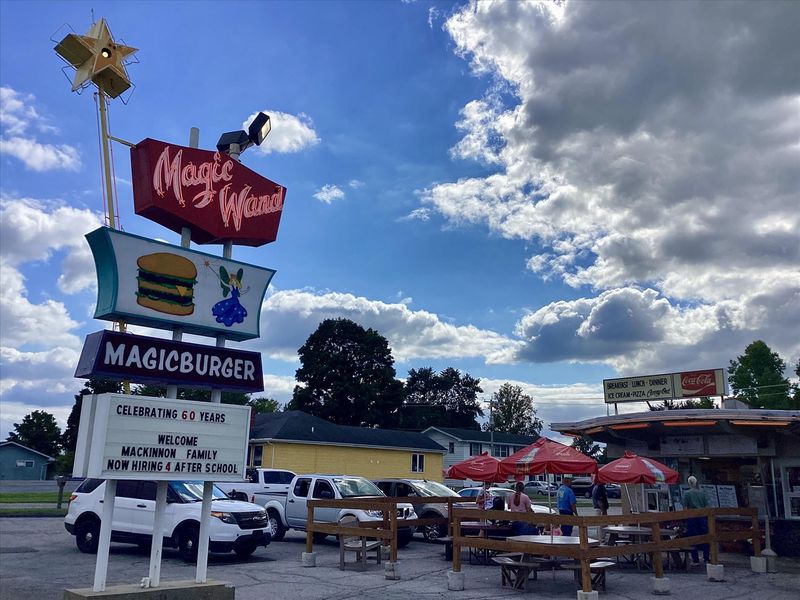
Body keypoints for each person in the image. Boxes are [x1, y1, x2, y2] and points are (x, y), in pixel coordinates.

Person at [682, 475, 710, 565]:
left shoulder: (686, 494)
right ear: (696, 482)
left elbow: (685, 508)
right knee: (705, 537)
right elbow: (707, 507)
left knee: (693, 539)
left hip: (692, 518)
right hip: (702, 517)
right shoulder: (702, 493)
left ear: (688, 483)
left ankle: (695, 559)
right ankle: (706, 558)